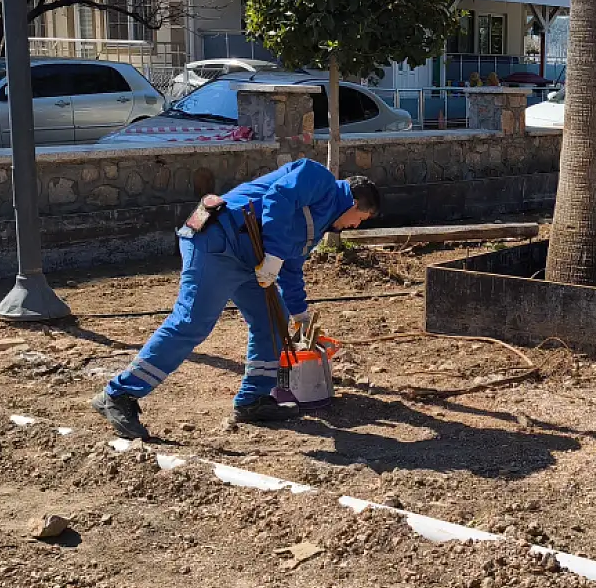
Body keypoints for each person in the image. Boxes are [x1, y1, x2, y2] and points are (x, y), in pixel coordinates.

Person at [91, 159, 380, 438]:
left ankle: (253, 400)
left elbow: (291, 268)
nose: (355, 227)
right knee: (191, 322)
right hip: (217, 241)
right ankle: (118, 394)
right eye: (361, 220)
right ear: (355, 203)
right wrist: (275, 255)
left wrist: (300, 316)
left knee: (271, 322)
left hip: (250, 257)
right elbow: (279, 196)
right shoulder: (318, 177)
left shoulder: (320, 223)